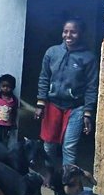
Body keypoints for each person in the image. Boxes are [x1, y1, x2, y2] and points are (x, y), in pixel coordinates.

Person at [33, 18, 98, 168]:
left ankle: (67, 179)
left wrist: (88, 113)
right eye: (65, 31)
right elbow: (44, 78)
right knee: (49, 145)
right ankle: (49, 175)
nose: (68, 35)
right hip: (53, 105)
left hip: (76, 107)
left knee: (69, 147)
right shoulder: (52, 52)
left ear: (81, 34)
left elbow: (91, 86)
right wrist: (41, 103)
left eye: (73, 32)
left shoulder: (88, 58)